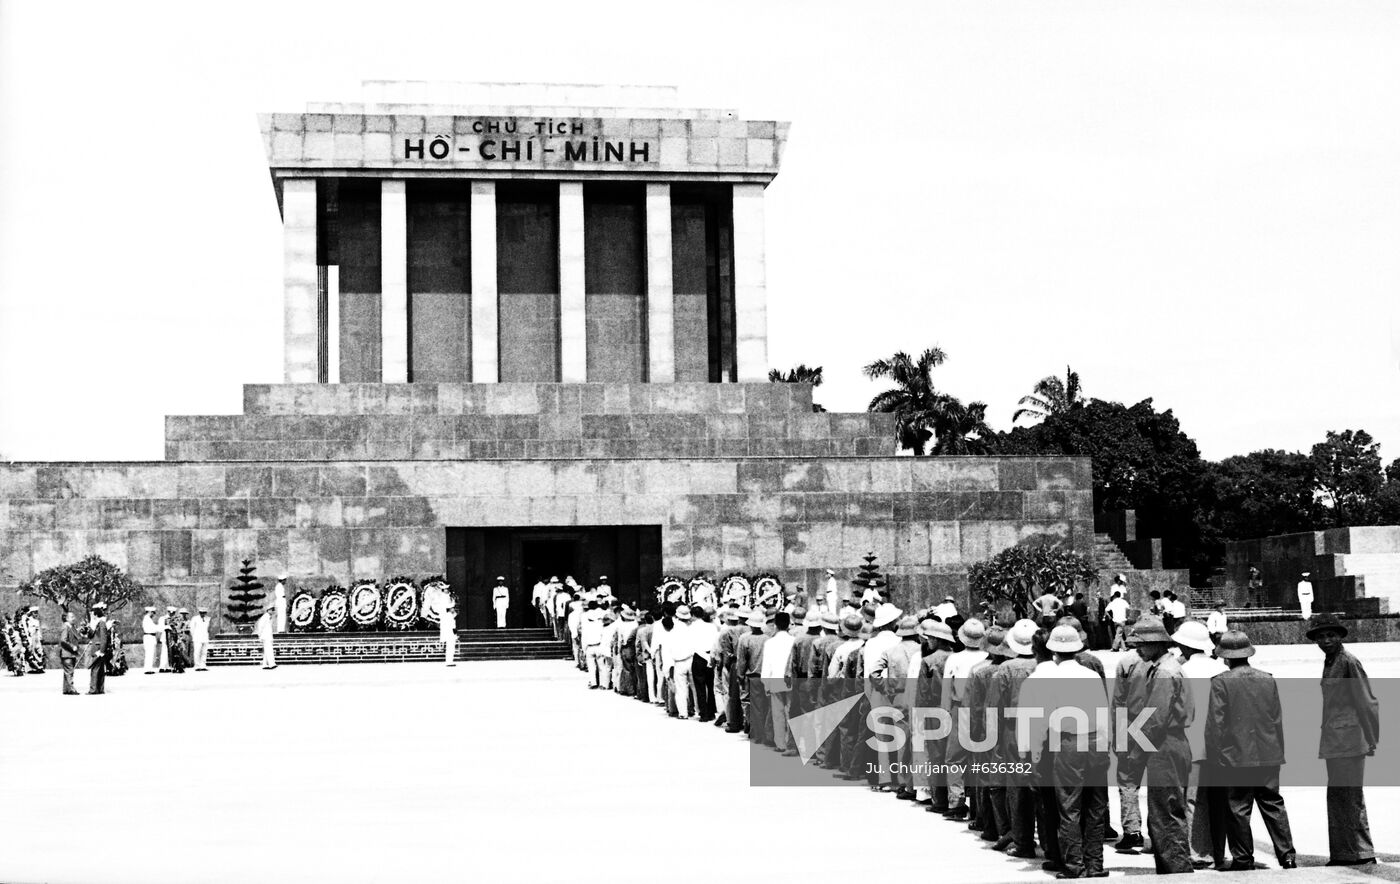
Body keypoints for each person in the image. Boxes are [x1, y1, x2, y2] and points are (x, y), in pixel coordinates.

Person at [1204, 629, 1295, 871]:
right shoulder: (1268, 678)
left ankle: (1243, 858)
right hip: (1269, 754)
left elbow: (1216, 725)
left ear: (1225, 656)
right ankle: (1287, 855)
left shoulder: (1221, 682)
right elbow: (1276, 719)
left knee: (1238, 809)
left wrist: (1215, 757)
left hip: (1236, 757)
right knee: (1273, 804)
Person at [1122, 615, 1193, 875]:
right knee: (1165, 810)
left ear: (1155, 643)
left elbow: (1155, 719)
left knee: (1165, 812)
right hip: (1169, 743)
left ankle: (1176, 870)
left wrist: (1136, 750)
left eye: (1141, 644)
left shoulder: (1163, 671)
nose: (1137, 649)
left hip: (1165, 744)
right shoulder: (1163, 667)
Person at [1307, 612, 1379, 866]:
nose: (1326, 640)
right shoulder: (1330, 660)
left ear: (1340, 636)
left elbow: (1367, 701)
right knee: (1338, 796)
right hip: (1335, 740)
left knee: (1350, 796)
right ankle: (1343, 852)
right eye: (1321, 636)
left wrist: (1371, 737)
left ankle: (1362, 852)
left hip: (1349, 739)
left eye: (1331, 635)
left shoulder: (1349, 662)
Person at [1173, 619, 1228, 870]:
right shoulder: (1222, 669)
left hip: (1191, 744)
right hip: (1221, 747)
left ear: (1184, 646)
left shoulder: (1180, 671)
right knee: (1219, 801)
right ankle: (1217, 850)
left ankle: (1197, 851)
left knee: (1193, 800)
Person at [942, 617, 988, 818]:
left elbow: (946, 691)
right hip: (984, 711)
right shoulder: (987, 658)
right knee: (978, 757)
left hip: (960, 709)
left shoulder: (954, 659)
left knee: (954, 758)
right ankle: (979, 807)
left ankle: (957, 802)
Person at [760, 610, 796, 755]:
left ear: (775, 625)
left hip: (774, 678)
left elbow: (766, 665)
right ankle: (790, 742)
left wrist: (766, 684)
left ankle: (780, 743)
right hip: (790, 679)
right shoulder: (794, 641)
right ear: (789, 625)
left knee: (777, 713)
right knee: (790, 711)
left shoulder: (770, 642)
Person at [735, 608, 769, 739]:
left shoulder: (745, 640)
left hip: (752, 676)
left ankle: (753, 728)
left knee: (750, 703)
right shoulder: (767, 639)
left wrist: (740, 675)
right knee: (763, 704)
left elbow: (742, 660)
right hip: (765, 675)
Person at [665, 604, 696, 718]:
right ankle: (698, 710)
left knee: (681, 688)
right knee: (695, 687)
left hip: (678, 662)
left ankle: (683, 713)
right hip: (691, 659)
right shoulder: (692, 628)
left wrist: (668, 667)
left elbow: (668, 649)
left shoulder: (672, 630)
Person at [689, 605, 718, 721]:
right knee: (710, 686)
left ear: (692, 615)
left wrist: (705, 657)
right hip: (710, 655)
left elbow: (693, 646)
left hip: (699, 657)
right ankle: (711, 711)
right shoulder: (712, 627)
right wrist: (710, 657)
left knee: (700, 687)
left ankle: (704, 713)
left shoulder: (692, 627)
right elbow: (716, 643)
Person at [86, 602, 111, 694]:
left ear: (96, 614)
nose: (91, 615)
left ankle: (93, 690)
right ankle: (99, 689)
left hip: (98, 650)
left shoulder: (101, 623)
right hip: (97, 649)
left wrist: (101, 651)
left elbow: (104, 638)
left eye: (92, 613)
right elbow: (91, 635)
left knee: (95, 669)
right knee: (99, 670)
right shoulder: (97, 623)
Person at [59, 610, 82, 695]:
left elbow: (77, 637)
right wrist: (72, 646)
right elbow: (63, 640)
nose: (74, 618)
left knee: (68, 672)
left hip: (70, 654)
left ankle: (67, 689)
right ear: (67, 618)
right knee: (69, 672)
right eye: (71, 617)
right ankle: (71, 689)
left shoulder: (71, 627)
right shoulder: (66, 627)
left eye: (74, 617)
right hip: (67, 653)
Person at [190, 607, 212, 671]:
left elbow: (208, 628)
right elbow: (192, 629)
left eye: (204, 612)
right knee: (197, 652)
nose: (203, 614)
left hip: (205, 637)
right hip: (197, 638)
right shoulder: (195, 618)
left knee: (204, 652)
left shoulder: (208, 619)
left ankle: (203, 665)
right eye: (201, 612)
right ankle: (197, 665)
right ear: (199, 612)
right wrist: (194, 636)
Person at [169, 609, 190, 674]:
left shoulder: (187, 621)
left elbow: (187, 629)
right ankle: (175, 666)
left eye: (185, 614)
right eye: (182, 613)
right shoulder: (175, 620)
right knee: (175, 652)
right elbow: (173, 628)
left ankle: (181, 665)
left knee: (182, 651)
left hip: (183, 637)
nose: (183, 615)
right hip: (175, 637)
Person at [256, 605, 277, 669]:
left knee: (267, 650)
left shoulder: (269, 617)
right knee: (269, 649)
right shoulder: (265, 617)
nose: (272, 611)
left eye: (272, 610)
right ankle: (271, 664)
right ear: (268, 610)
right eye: (270, 610)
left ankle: (264, 664)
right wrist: (260, 635)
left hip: (268, 636)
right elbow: (260, 626)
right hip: (265, 636)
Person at [141, 606, 160, 674]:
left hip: (150, 637)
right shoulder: (147, 619)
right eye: (152, 613)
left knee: (151, 654)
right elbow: (154, 628)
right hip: (149, 637)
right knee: (149, 653)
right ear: (150, 612)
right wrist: (162, 627)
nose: (153, 614)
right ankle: (147, 669)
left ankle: (149, 668)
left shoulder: (148, 619)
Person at [440, 600, 457, 666]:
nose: (453, 609)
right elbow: (453, 626)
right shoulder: (449, 616)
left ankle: (449, 661)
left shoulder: (446, 615)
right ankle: (449, 661)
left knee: (449, 648)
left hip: (448, 633)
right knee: (451, 648)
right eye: (452, 608)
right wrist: (455, 633)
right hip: (450, 634)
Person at [158, 605, 175, 672]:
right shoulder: (163, 618)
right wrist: (167, 627)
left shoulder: (174, 619)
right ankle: (162, 667)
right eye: (172, 613)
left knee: (171, 652)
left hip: (172, 638)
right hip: (165, 637)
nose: (172, 614)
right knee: (164, 652)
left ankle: (168, 666)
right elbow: (160, 628)